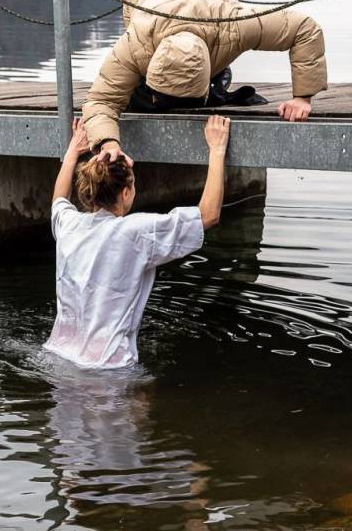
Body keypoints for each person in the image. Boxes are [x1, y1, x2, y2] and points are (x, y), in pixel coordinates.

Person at [83, 0, 327, 164]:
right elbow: (101, 100)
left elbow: (304, 29)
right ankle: (159, 85)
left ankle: (208, 78)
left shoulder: (234, 26)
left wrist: (302, 97)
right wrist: (108, 143)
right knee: (131, 86)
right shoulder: (136, 43)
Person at [44, 115, 230, 368]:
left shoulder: (70, 226)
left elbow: (58, 199)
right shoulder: (137, 231)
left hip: (58, 357)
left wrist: (72, 152)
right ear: (127, 192)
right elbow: (208, 215)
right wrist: (217, 150)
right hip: (108, 367)